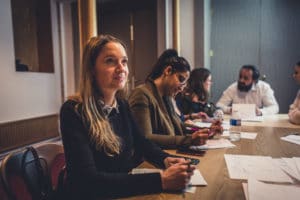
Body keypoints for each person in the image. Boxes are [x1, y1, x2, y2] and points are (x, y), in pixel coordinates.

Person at [59, 35, 195, 199]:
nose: (121, 68)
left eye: (124, 61)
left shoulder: (122, 105)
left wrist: (166, 159)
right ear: (92, 70)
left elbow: (142, 142)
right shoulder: (73, 111)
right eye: (110, 61)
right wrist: (162, 180)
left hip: (120, 193)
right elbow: (87, 180)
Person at [128, 49, 221, 149]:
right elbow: (145, 138)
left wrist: (205, 131)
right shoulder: (142, 94)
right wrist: (189, 140)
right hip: (147, 161)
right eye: (181, 80)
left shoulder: (166, 96)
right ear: (168, 71)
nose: (181, 88)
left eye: (184, 83)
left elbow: (179, 126)